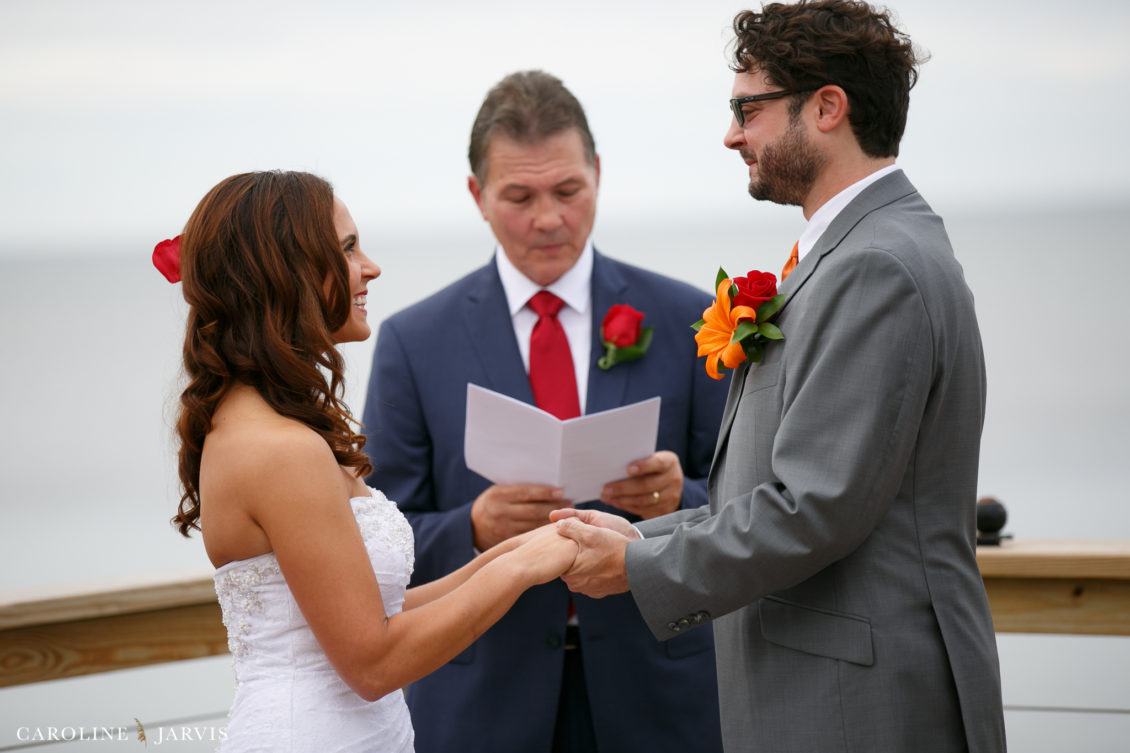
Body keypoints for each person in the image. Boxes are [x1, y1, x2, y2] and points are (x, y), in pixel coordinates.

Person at [552, 3, 1008, 752]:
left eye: (747, 109)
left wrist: (639, 565)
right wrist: (643, 534)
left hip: (862, 704)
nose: (732, 133)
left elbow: (814, 508)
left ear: (827, 107)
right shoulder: (858, 251)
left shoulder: (876, 266)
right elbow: (784, 491)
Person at [361, 71, 727, 753]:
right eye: (519, 196)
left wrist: (681, 495)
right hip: (482, 696)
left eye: (567, 190)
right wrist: (472, 526)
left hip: (660, 691)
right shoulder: (414, 341)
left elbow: (747, 502)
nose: (549, 218)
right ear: (477, 196)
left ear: (598, 173)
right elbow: (380, 532)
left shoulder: (686, 318)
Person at [167, 170, 577, 752]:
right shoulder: (281, 449)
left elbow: (375, 612)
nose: (371, 267)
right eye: (348, 249)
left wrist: (525, 550)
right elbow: (374, 664)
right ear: (287, 271)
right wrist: (521, 572)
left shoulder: (264, 426)